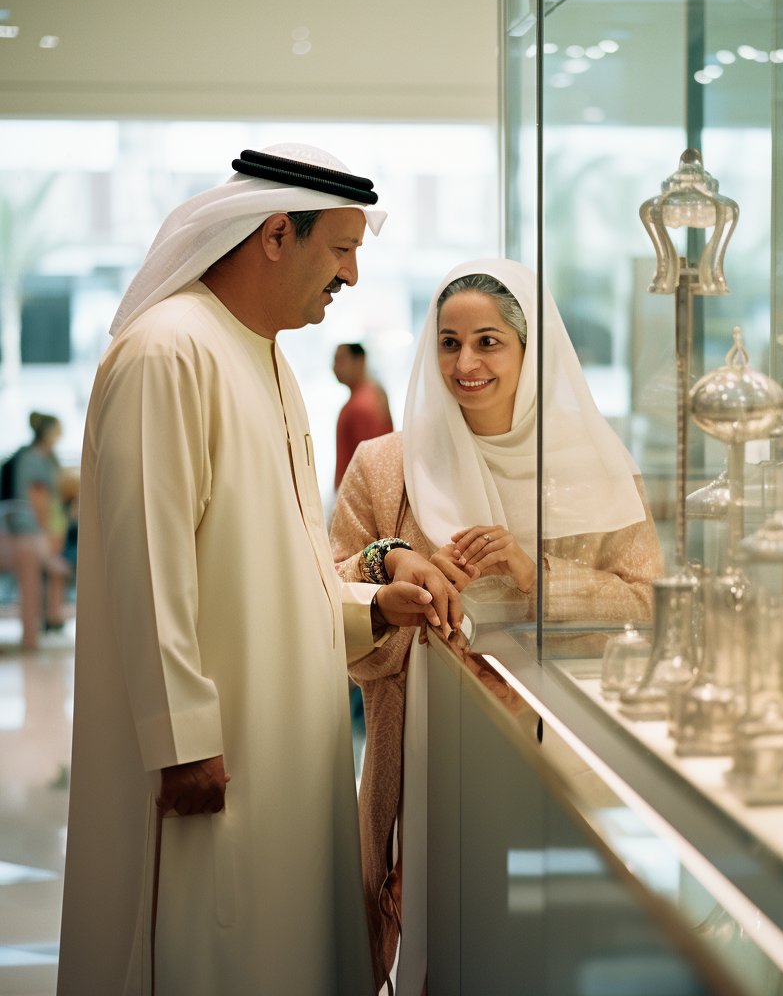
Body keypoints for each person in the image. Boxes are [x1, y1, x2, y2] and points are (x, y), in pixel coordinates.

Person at [58, 144, 461, 996]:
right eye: (341, 249)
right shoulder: (169, 352)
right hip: (215, 756)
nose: (351, 273)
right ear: (278, 233)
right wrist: (182, 740)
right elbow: (148, 564)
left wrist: (372, 605)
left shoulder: (270, 360)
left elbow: (277, 569)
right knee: (207, 950)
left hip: (286, 743)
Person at [330, 258, 663, 992]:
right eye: (448, 343)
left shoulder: (594, 471)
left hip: (566, 763)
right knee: (444, 950)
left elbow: (648, 604)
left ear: (529, 351)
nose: (466, 363)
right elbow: (326, 591)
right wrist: (393, 564)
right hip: (426, 753)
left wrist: (534, 573)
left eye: (488, 342)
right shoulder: (386, 468)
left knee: (554, 955)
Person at [0, 412, 70, 649]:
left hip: (29, 532)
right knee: (53, 570)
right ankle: (48, 624)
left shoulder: (36, 458)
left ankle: (51, 621)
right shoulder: (35, 459)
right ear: (48, 432)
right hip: (29, 534)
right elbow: (38, 501)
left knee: (52, 572)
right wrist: (46, 535)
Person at [334, 342, 393, 489]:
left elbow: (371, 463)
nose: (335, 368)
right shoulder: (373, 393)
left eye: (341, 360)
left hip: (358, 495)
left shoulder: (361, 406)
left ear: (360, 361)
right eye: (334, 361)